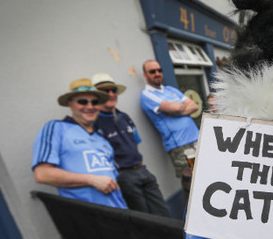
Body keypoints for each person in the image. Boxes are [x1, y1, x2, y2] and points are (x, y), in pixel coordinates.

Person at [32, 78, 127, 209]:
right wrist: (91, 180)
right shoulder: (56, 128)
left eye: (94, 102)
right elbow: (42, 174)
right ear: (70, 104)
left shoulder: (102, 140)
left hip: (119, 212)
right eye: (83, 102)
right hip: (88, 216)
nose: (90, 107)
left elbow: (113, 180)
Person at [92, 72, 171, 217]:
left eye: (113, 90)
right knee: (144, 221)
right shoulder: (95, 123)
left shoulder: (124, 117)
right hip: (124, 176)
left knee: (164, 215)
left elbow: (135, 142)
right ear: (97, 96)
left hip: (142, 169)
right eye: (105, 91)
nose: (111, 94)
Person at [140, 60, 199, 196]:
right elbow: (176, 107)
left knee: (204, 175)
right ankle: (189, 215)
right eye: (152, 71)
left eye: (159, 70)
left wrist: (177, 110)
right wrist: (179, 107)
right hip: (179, 144)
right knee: (190, 185)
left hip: (196, 137)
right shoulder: (147, 95)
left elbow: (194, 106)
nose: (157, 73)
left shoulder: (171, 90)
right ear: (145, 75)